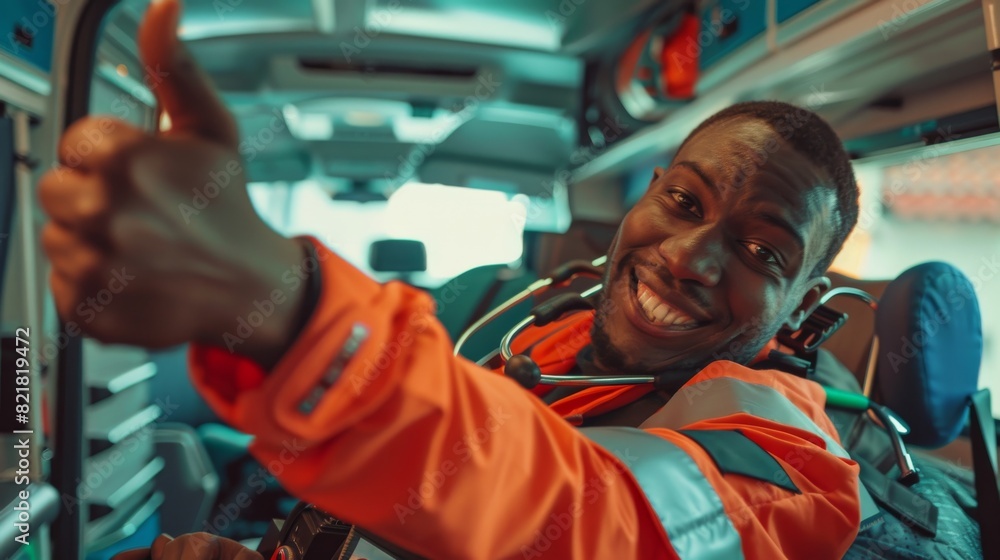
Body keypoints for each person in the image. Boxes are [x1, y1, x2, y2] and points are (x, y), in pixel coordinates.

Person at [42, 0, 870, 558]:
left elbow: (591, 521)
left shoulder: (795, 462)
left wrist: (289, 306)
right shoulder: (539, 321)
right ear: (645, 197)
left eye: (764, 253)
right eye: (684, 201)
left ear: (804, 301)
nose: (691, 258)